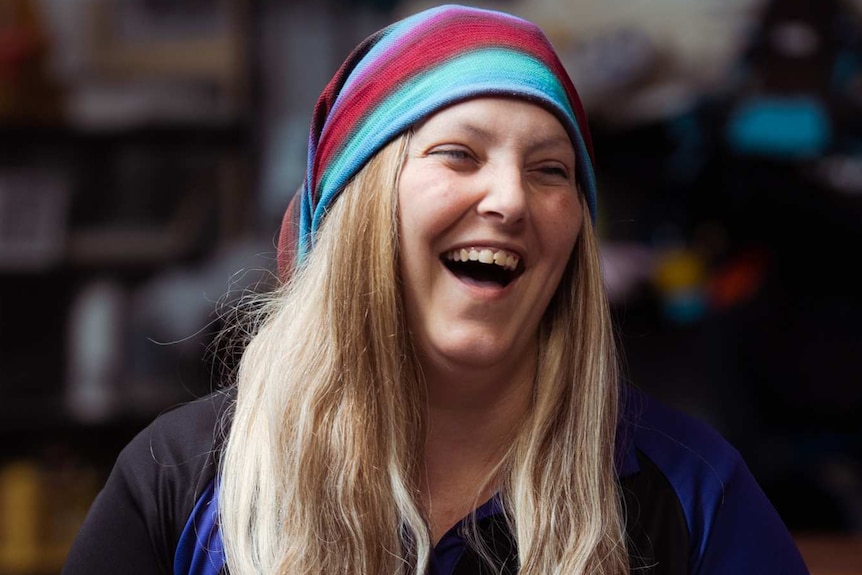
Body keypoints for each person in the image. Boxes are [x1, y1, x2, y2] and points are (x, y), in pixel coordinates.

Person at [62, 5, 810, 574]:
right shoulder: (182, 479)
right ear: (358, 206)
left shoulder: (693, 490)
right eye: (459, 154)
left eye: (551, 169)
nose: (511, 200)